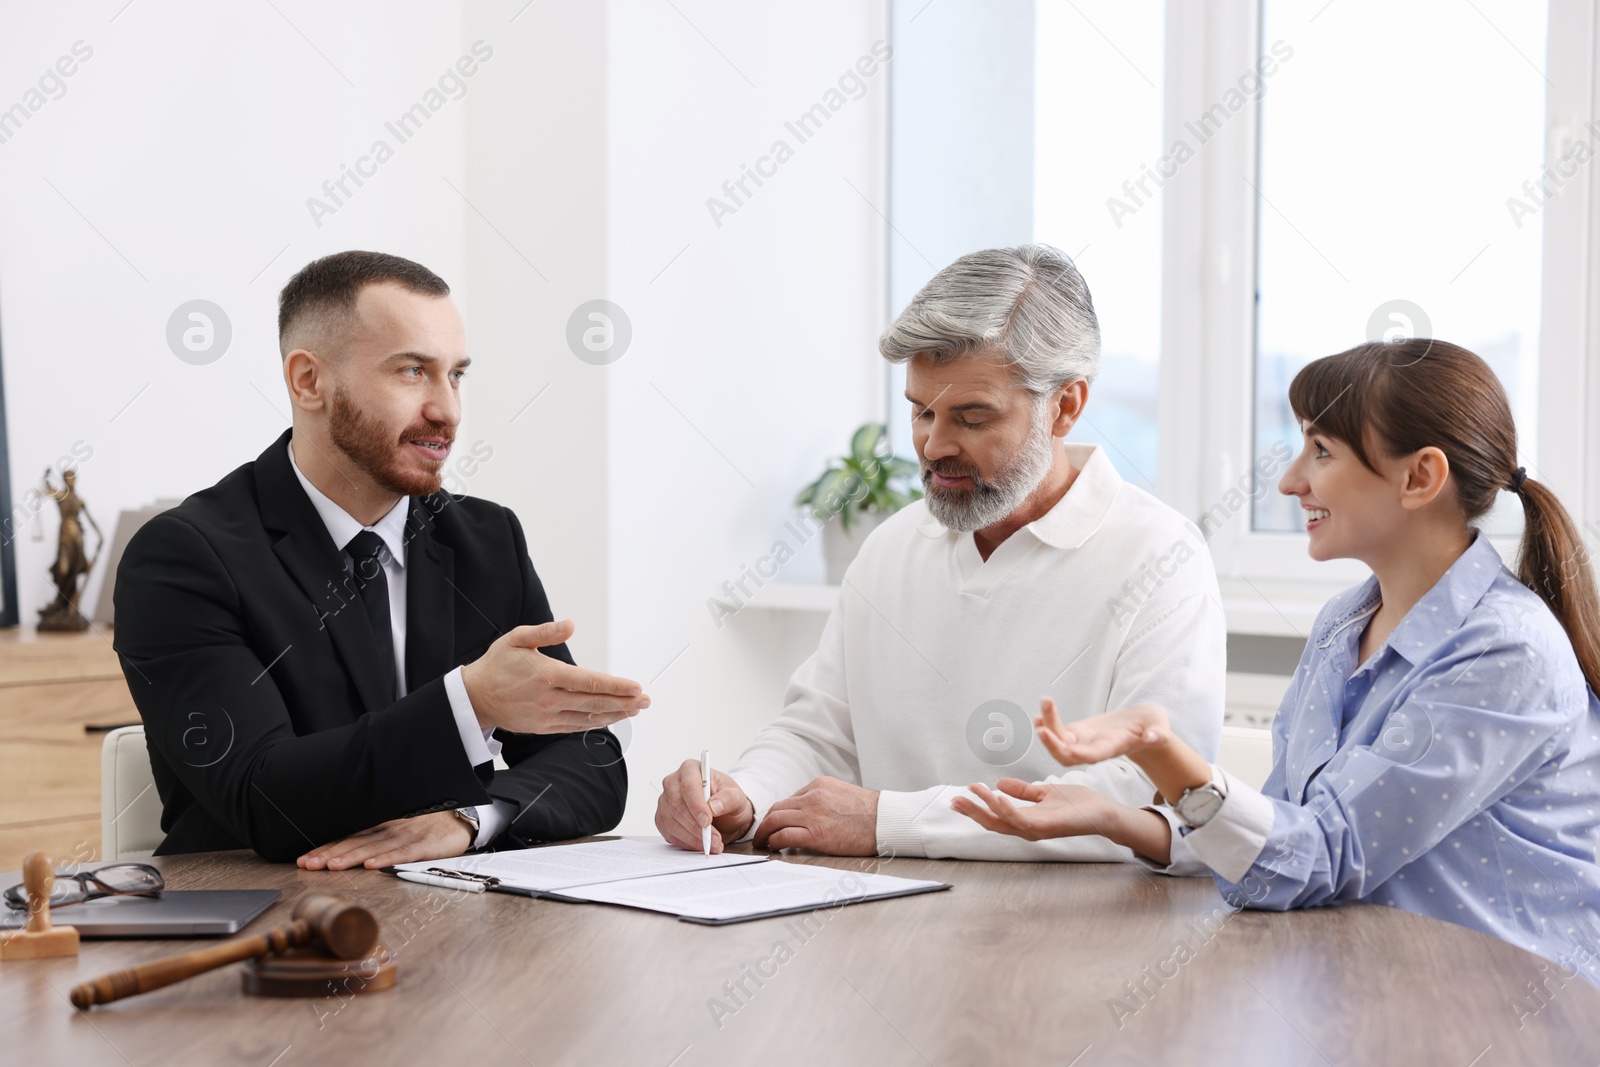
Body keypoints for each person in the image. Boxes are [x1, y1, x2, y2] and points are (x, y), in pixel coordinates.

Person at [956, 338, 1600, 984]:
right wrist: (1119, 820)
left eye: (1321, 451)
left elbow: (1317, 857)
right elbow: (1283, 834)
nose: (1291, 480)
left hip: (1503, 1018)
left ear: (1419, 478)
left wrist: (1160, 748)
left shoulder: (1507, 653)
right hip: (1378, 987)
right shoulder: (1344, 624)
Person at [656, 244, 1226, 860]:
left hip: (1075, 932)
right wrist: (746, 797)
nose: (932, 445)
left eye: (971, 418)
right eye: (921, 411)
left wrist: (888, 822)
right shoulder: (891, 548)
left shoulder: (1161, 558)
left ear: (1065, 406)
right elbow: (820, 734)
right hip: (882, 917)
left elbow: (1143, 795)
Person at [114, 251, 648, 866]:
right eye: (412, 372)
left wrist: (472, 819)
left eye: (456, 376)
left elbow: (589, 762)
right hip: (265, 927)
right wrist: (468, 704)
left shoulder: (487, 539)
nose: (447, 410)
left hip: (450, 918)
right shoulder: (183, 558)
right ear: (308, 380)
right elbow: (263, 797)